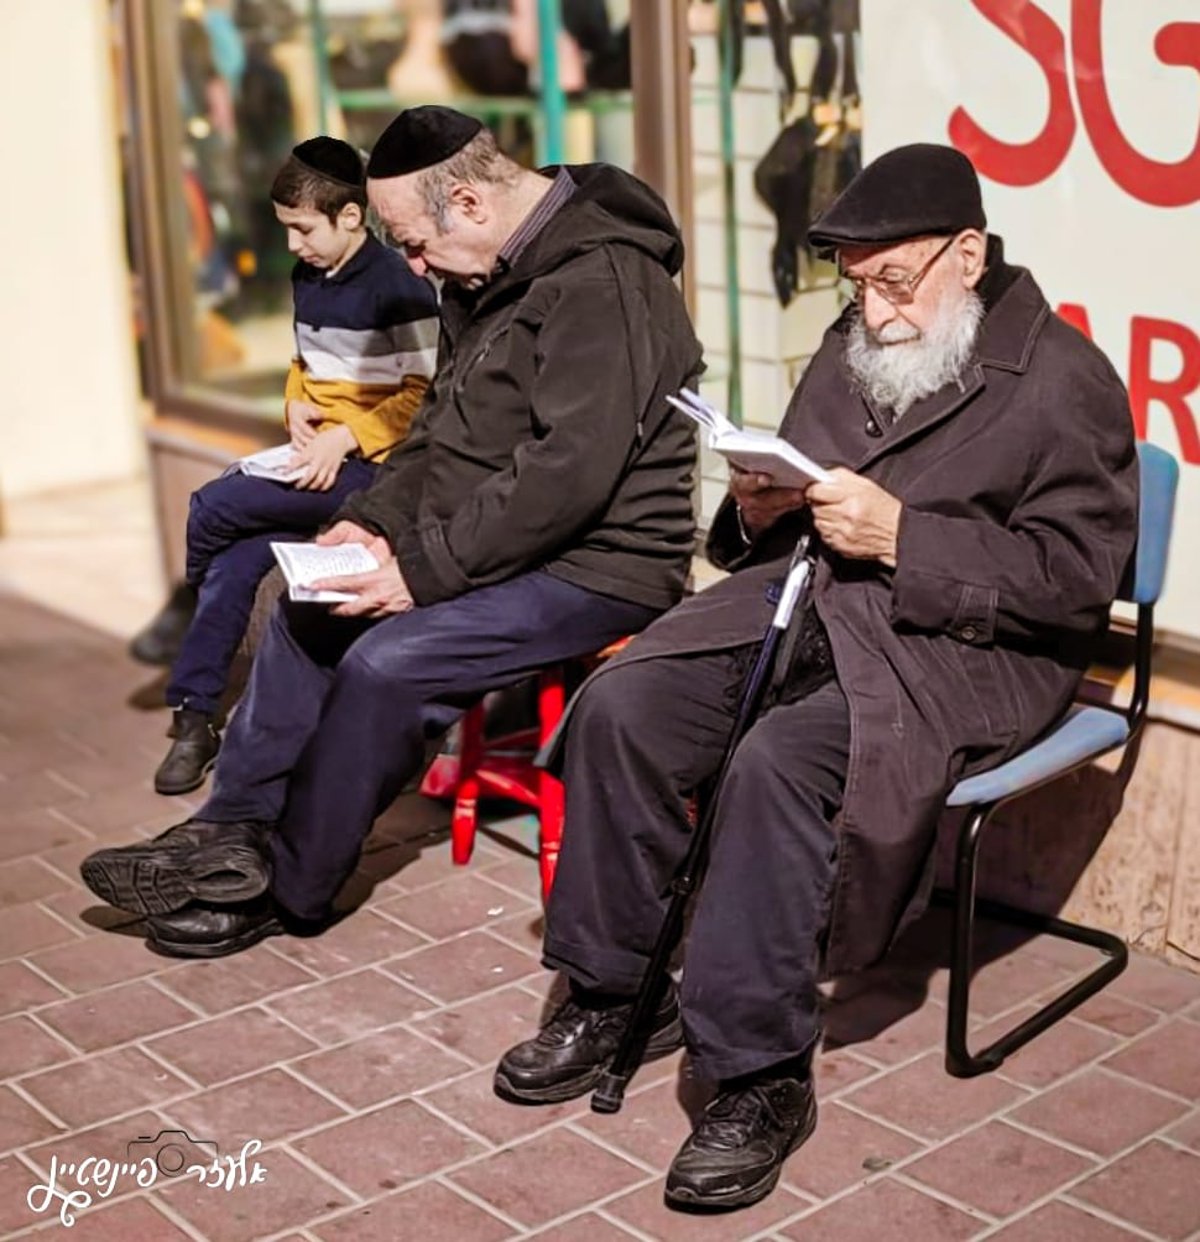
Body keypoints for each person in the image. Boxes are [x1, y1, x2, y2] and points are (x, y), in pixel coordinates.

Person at [492, 143, 1139, 1212]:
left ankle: (757, 1073)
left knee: (779, 764)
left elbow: (1075, 583)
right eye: (859, 285)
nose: (876, 311)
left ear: (968, 254)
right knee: (626, 702)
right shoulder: (856, 340)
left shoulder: (1065, 378)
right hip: (813, 595)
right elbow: (788, 488)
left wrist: (905, 538)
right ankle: (616, 988)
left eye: (897, 280)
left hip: (967, 644)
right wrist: (754, 505)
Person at [81, 106, 703, 959]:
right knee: (304, 605)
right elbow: (438, 434)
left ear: (473, 206)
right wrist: (368, 524)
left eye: (412, 242)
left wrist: (422, 569)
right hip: (502, 536)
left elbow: (567, 479)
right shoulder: (485, 275)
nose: (409, 264)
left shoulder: (604, 283)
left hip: (602, 562)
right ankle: (228, 835)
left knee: (388, 662)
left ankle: (289, 886)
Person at [149, 136, 439, 796]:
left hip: (377, 474)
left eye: (302, 229)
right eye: (285, 230)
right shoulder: (309, 275)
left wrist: (347, 438)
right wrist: (296, 407)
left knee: (211, 506)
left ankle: (181, 603)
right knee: (233, 566)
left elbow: (428, 395)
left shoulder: (399, 290)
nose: (292, 246)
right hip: (318, 461)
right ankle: (195, 718)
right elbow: (305, 364)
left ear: (350, 218)